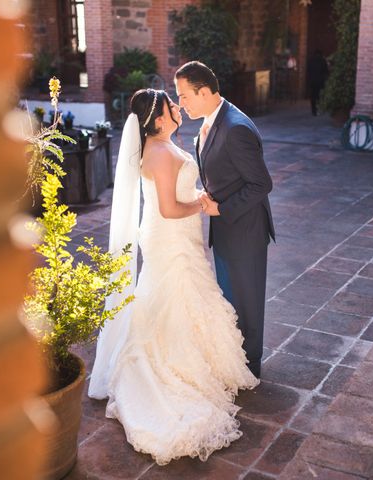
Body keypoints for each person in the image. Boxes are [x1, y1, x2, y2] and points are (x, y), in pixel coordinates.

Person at [87, 88, 258, 465]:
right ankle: (172, 366)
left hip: (176, 236)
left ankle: (192, 354)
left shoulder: (161, 145)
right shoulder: (161, 153)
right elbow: (168, 208)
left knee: (175, 295)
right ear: (160, 119)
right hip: (170, 236)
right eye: (171, 105)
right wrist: (202, 204)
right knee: (175, 294)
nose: (178, 107)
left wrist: (198, 195)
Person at [174, 61, 275, 379]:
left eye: (184, 95)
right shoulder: (211, 121)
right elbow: (225, 172)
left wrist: (223, 208)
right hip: (226, 230)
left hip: (245, 230)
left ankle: (251, 369)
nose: (181, 103)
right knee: (230, 300)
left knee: (248, 303)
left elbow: (261, 184)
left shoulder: (236, 128)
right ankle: (233, 363)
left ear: (203, 91)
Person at [306, 49, 329, 116]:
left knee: (313, 95)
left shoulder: (310, 60)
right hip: (320, 81)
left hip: (312, 81)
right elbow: (326, 71)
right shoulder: (322, 60)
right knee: (319, 95)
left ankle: (313, 110)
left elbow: (308, 70)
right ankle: (319, 108)